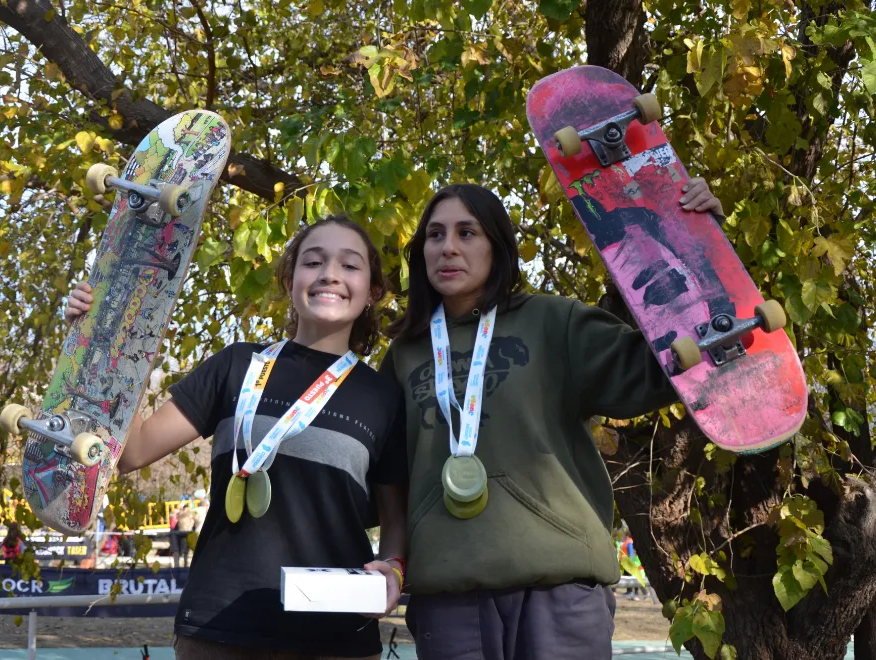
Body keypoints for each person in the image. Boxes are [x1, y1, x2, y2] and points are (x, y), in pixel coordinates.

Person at [379, 179, 723, 659]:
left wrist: (694, 246)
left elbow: (662, 369)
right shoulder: (405, 353)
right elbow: (387, 473)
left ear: (497, 246)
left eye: (467, 233)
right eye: (434, 235)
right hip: (448, 599)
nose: (448, 248)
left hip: (561, 591)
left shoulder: (554, 322)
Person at [65, 215, 408, 660]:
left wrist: (395, 571)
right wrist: (103, 345)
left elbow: (396, 519)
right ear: (289, 280)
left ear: (372, 292)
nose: (329, 275)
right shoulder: (236, 365)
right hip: (218, 628)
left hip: (335, 636)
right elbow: (132, 452)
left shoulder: (383, 395)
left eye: (350, 266)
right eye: (314, 261)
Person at [173, 502, 196, 568]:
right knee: (187, 550)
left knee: (182, 550)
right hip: (190, 533)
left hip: (182, 533)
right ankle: (186, 564)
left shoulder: (182, 514)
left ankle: (182, 565)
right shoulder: (191, 513)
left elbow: (179, 516)